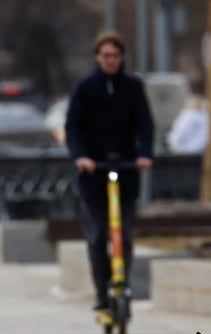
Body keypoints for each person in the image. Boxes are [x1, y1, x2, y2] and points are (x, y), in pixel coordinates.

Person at [65, 30, 154, 311]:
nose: (111, 60)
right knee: (97, 235)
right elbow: (73, 127)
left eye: (115, 55)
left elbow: (145, 124)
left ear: (121, 57)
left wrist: (144, 154)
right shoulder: (85, 89)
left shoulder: (132, 87)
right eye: (106, 56)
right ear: (97, 57)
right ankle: (103, 292)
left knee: (124, 234)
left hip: (125, 170)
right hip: (93, 173)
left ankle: (123, 285)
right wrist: (81, 156)